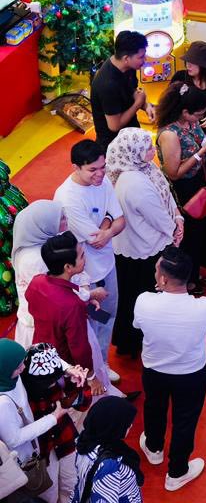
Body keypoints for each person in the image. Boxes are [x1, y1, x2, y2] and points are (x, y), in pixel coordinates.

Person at [133, 247, 206, 490]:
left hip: (154, 370)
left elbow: (137, 325)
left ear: (163, 279)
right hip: (192, 373)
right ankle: (177, 472)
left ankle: (153, 447)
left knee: (154, 406)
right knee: (185, 421)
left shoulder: (144, 301)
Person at [106, 128, 183, 358]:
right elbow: (157, 216)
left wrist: (177, 216)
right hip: (144, 250)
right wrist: (175, 230)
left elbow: (166, 193)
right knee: (139, 299)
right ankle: (137, 342)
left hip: (143, 244)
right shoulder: (133, 182)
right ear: (133, 152)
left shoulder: (142, 167)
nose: (153, 150)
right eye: (148, 147)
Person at [156, 82, 206, 289]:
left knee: (202, 230)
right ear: (184, 111)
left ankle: (197, 270)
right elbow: (173, 173)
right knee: (189, 236)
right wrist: (201, 153)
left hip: (199, 181)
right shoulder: (169, 134)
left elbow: (201, 145)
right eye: (197, 114)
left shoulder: (191, 123)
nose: (199, 119)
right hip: (183, 190)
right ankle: (187, 280)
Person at [54, 140, 124, 382]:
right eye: (93, 169)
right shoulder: (67, 197)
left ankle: (102, 363)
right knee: (90, 326)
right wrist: (108, 221)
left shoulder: (103, 181)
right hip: (85, 277)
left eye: (102, 167)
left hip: (107, 267)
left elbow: (121, 220)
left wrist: (106, 225)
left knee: (109, 316)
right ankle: (90, 373)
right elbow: (96, 239)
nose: (100, 174)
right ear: (75, 167)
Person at [20, 342, 93, 503]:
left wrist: (80, 384)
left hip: (65, 440)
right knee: (48, 493)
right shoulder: (21, 393)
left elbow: (84, 404)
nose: (54, 382)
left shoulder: (60, 376)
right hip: (41, 451)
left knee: (72, 484)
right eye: (48, 380)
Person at [0, 339, 71, 503]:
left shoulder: (8, 375)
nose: (24, 367)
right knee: (41, 494)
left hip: (36, 444)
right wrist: (53, 418)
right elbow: (14, 439)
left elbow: (38, 354)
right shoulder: (2, 404)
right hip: (24, 460)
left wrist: (68, 369)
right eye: (18, 366)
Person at [26, 233, 97, 379]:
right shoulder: (72, 305)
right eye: (82, 256)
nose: (85, 259)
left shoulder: (36, 282)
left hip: (41, 350)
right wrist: (90, 375)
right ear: (68, 267)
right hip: (65, 363)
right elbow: (79, 348)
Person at [12, 201, 68, 348]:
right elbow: (55, 295)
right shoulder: (37, 259)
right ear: (44, 225)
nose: (66, 221)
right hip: (40, 329)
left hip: (38, 321)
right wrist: (87, 297)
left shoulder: (34, 248)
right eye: (61, 218)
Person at [70, 396, 144, 503]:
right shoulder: (109, 465)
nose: (131, 425)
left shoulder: (84, 442)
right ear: (112, 427)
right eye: (126, 424)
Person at [90, 31, 151, 150]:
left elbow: (133, 91)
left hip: (131, 133)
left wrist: (146, 106)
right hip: (115, 145)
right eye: (141, 57)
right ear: (126, 58)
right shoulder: (108, 85)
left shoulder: (128, 67)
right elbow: (114, 125)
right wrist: (138, 104)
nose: (145, 60)